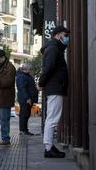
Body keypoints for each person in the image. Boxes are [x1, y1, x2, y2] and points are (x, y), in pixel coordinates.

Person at [38, 26, 70, 158]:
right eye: (65, 34)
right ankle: (48, 147)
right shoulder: (53, 48)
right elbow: (48, 67)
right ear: (58, 35)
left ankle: (49, 146)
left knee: (52, 117)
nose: (68, 37)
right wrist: (41, 83)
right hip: (55, 87)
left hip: (55, 87)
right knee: (52, 118)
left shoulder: (54, 48)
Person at [16, 63, 38, 136]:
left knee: (26, 114)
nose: (31, 70)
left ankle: (25, 130)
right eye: (30, 69)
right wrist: (27, 98)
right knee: (24, 114)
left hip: (27, 98)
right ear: (25, 69)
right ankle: (23, 130)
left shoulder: (26, 76)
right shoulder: (22, 76)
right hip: (25, 99)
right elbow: (22, 88)